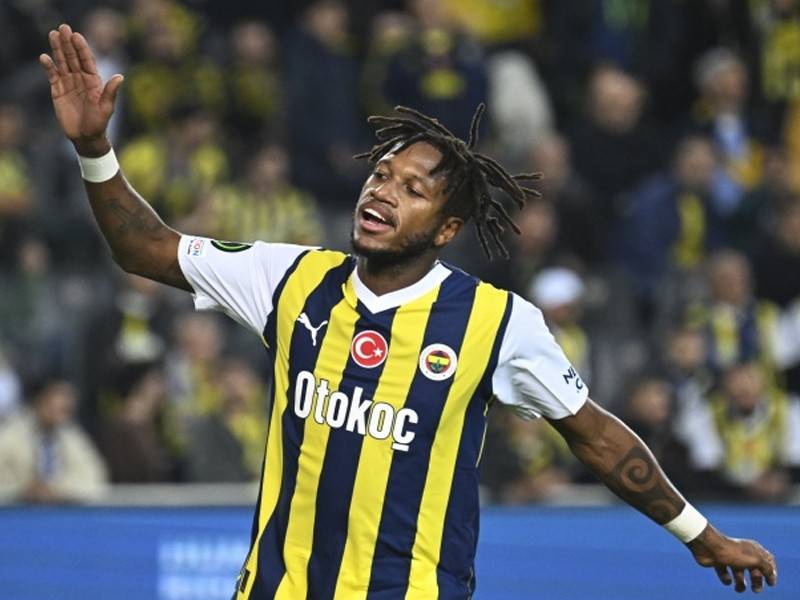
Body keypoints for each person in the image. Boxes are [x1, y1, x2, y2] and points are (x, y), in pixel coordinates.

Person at [39, 23, 777, 598]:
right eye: (382, 175)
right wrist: (95, 149)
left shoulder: (497, 323)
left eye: (412, 189)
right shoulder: (290, 277)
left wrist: (701, 536)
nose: (383, 191)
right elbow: (144, 248)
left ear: (448, 228)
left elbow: (597, 437)